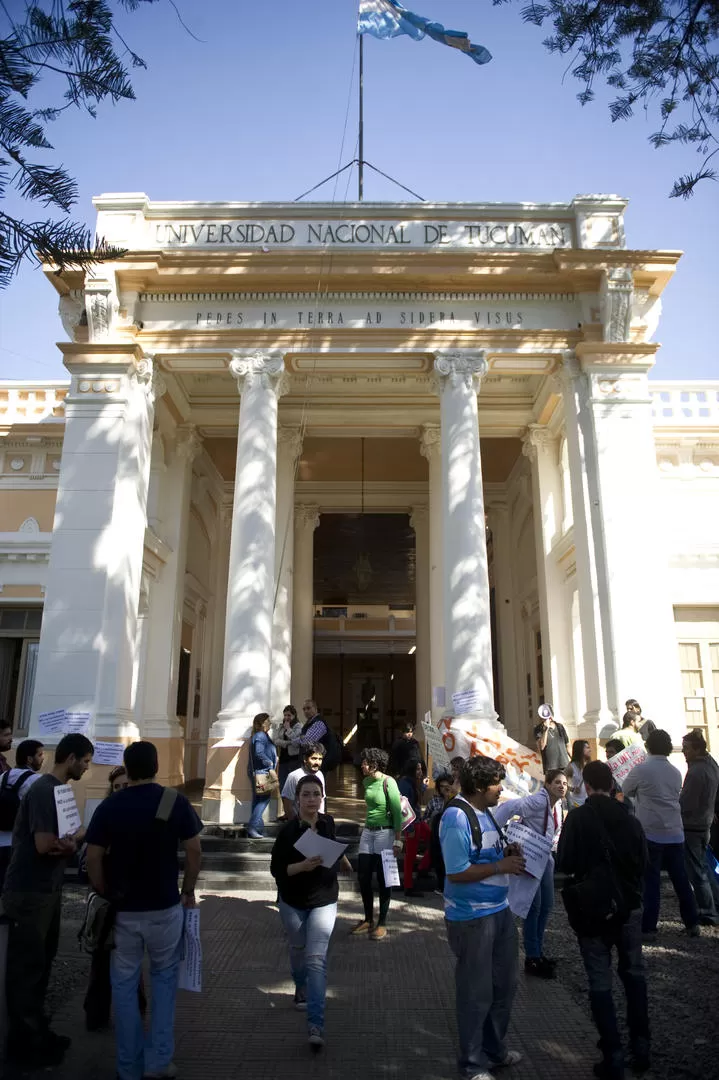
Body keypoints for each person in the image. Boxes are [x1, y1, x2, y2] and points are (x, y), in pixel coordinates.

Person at [85, 740, 202, 1080]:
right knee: (164, 982)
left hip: (124, 910)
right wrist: (188, 889)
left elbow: (93, 855)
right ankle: (159, 1060)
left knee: (123, 985)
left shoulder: (111, 805)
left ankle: (129, 1066)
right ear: (156, 767)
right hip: (165, 905)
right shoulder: (174, 801)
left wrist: (101, 887)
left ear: (128, 767)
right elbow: (194, 851)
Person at [1, 732, 93, 1068]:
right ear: (70, 758)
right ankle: (23, 1045)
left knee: (41, 963)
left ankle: (37, 1032)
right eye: (85, 761)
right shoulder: (43, 790)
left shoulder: (60, 791)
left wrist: (72, 841)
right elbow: (45, 845)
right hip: (29, 891)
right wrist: (70, 843)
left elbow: (74, 833)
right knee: (26, 968)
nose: (86, 767)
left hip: (47, 890)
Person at [557, 761, 649, 1080]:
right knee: (634, 974)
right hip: (628, 906)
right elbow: (643, 862)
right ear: (611, 784)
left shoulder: (578, 817)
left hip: (592, 909)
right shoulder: (629, 817)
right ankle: (642, 1046)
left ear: (585, 784)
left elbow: (565, 861)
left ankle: (613, 1055)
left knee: (600, 981)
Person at [439, 756, 525, 1080]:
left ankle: (494, 1049)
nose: (501, 789)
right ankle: (472, 1064)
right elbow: (457, 871)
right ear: (478, 786)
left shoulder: (485, 813)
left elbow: (484, 853)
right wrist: (499, 867)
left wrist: (505, 854)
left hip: (499, 911)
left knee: (505, 985)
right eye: (496, 783)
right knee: (475, 993)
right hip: (472, 918)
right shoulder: (456, 818)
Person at [270, 773, 352, 1050]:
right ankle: (300, 986)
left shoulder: (327, 822)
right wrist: (301, 867)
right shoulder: (288, 832)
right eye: (306, 795)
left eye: (316, 794)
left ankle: (315, 1023)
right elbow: (277, 871)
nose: (311, 800)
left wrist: (343, 859)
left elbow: (332, 847)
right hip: (292, 901)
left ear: (322, 798)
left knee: (316, 959)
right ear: (297, 800)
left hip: (324, 899)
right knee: (297, 949)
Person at [83, 764, 147, 1032]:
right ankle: (97, 1013)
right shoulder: (105, 812)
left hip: (131, 896)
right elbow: (92, 855)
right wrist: (101, 891)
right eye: (117, 786)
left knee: (131, 958)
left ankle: (135, 1012)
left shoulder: (137, 814)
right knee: (101, 955)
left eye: (125, 785)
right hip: (107, 895)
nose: (121, 790)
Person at [622, 729, 700, 938]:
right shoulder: (675, 771)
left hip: (650, 831)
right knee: (681, 879)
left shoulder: (641, 770)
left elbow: (626, 789)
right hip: (675, 831)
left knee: (651, 881)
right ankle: (692, 922)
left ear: (648, 747)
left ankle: (649, 927)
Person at [494, 767, 568, 978]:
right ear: (547, 785)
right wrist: (497, 831)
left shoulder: (558, 804)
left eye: (564, 783)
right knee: (533, 907)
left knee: (547, 905)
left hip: (544, 858)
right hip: (531, 857)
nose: (561, 787)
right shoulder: (538, 801)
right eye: (557, 783)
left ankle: (538, 952)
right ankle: (532, 957)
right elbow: (509, 806)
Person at [352, 747, 403, 941]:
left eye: (365, 762)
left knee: (383, 879)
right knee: (363, 876)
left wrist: (398, 839)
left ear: (375, 764)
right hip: (368, 832)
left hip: (385, 833)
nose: (362, 766)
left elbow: (397, 811)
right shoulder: (366, 781)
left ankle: (382, 922)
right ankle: (368, 919)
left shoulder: (389, 782)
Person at [680, 728, 719, 926]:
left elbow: (687, 802)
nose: (684, 752)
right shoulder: (710, 764)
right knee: (704, 866)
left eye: (686, 748)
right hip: (705, 822)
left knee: (698, 871)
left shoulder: (696, 771)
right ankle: (714, 904)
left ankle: (708, 910)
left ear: (696, 749)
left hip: (693, 824)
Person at [0, 737, 45, 891]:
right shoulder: (37, 780)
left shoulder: (3, 776)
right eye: (40, 755)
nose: (43, 758)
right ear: (29, 758)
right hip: (19, 844)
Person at [398, 758, 431, 897]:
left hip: (418, 820)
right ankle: (408, 886)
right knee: (410, 855)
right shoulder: (405, 784)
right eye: (417, 769)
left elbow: (415, 797)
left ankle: (423, 867)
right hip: (412, 823)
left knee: (434, 841)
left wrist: (423, 786)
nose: (420, 772)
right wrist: (409, 829)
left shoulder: (412, 782)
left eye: (421, 769)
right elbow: (403, 807)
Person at [246, 712, 278, 838]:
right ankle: (253, 827)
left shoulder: (260, 735)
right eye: (268, 721)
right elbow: (259, 753)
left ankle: (257, 828)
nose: (270, 722)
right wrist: (269, 762)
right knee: (264, 799)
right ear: (263, 723)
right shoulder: (260, 735)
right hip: (262, 771)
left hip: (259, 771)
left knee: (257, 799)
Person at [428, 772, 457, 894]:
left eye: (447, 786)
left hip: (451, 836)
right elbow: (426, 817)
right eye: (441, 786)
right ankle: (441, 886)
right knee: (438, 859)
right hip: (436, 835)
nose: (444, 789)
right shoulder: (434, 801)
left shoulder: (456, 800)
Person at [281, 743, 326, 820]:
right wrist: (297, 825)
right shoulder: (293, 776)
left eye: (320, 759)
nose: (317, 762)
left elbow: (321, 800)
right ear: (305, 759)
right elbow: (288, 805)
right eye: (314, 758)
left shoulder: (320, 775)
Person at [274, 705, 303, 793]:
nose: (286, 717)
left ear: (294, 716)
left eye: (289, 715)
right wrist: (287, 744)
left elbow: (296, 741)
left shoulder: (299, 726)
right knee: (282, 785)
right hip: (283, 759)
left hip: (294, 759)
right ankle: (286, 805)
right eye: (285, 715)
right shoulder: (282, 726)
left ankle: (294, 806)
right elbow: (276, 740)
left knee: (293, 785)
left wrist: (288, 729)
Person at [566, 740, 591, 808]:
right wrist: (572, 789)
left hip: (589, 802)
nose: (590, 750)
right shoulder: (571, 767)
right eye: (587, 748)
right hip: (576, 804)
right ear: (580, 750)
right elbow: (563, 783)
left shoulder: (590, 766)